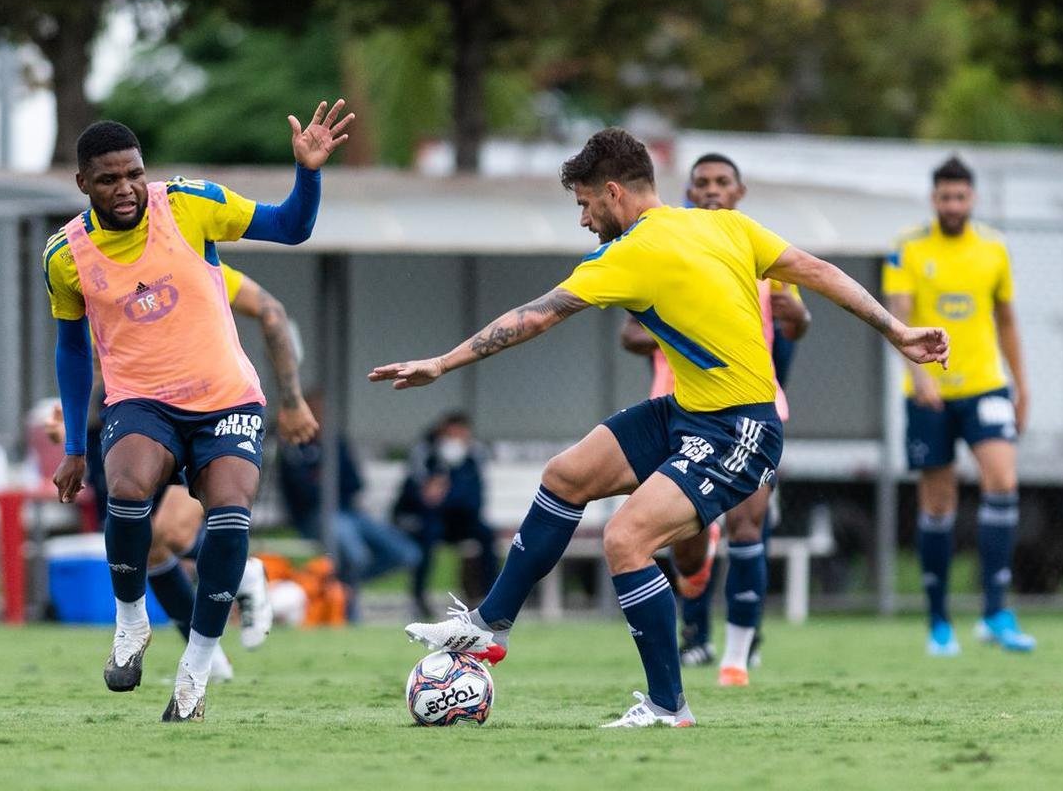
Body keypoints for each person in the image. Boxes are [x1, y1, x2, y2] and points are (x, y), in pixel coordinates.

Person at [371, 127, 948, 727]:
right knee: (566, 475)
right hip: (684, 412)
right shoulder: (724, 224)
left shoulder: (634, 253)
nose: (584, 219)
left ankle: (669, 705)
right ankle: (489, 629)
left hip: (738, 428)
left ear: (614, 193)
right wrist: (898, 332)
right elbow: (818, 270)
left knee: (626, 541)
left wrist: (442, 361)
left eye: (584, 203)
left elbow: (534, 317)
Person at [47, 99, 353, 722]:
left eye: (133, 172)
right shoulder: (65, 255)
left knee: (229, 519)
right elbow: (72, 349)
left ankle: (195, 672)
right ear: (83, 184)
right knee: (129, 493)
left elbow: (290, 228)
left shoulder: (188, 205)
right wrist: (76, 447)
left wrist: (309, 172)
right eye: (108, 179)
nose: (126, 188)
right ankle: (131, 621)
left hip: (226, 400)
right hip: (141, 402)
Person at [42, 263, 320, 676]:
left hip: (212, 418)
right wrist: (73, 427)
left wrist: (292, 400)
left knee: (167, 533)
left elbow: (270, 309)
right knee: (150, 545)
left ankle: (233, 591)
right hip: (149, 424)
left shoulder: (196, 266)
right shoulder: (105, 276)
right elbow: (100, 366)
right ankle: (213, 634)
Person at [620, 153, 811, 686]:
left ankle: (736, 657)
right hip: (677, 405)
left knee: (750, 525)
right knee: (686, 542)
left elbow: (797, 321)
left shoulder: (757, 249)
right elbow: (631, 333)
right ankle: (696, 588)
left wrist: (796, 315)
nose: (711, 190)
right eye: (701, 183)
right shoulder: (671, 246)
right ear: (688, 190)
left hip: (754, 405)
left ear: (739, 191)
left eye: (721, 182)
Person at [883, 156, 1033, 655]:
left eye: (960, 197)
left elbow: (1006, 319)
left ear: (972, 199)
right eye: (944, 197)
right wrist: (919, 375)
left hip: (986, 386)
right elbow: (897, 317)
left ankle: (995, 612)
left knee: (1003, 481)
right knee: (939, 504)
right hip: (931, 392)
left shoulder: (993, 247)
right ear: (934, 199)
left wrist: (1021, 384)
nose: (952, 205)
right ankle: (939, 622)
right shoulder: (907, 247)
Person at [277, 389, 420, 621]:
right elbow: (303, 493)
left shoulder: (335, 443)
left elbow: (355, 482)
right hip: (314, 515)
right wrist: (323, 482)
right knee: (355, 555)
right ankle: (348, 611)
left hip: (348, 511)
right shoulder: (294, 447)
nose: (319, 416)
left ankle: (338, 586)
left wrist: (324, 479)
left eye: (322, 411)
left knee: (407, 553)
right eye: (314, 411)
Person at [394, 411, 498, 618]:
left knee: (486, 534)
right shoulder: (425, 454)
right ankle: (419, 597)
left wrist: (446, 493)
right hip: (429, 519)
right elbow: (416, 497)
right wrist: (432, 493)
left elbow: (474, 500)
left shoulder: (473, 456)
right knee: (427, 534)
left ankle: (490, 599)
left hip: (461, 520)